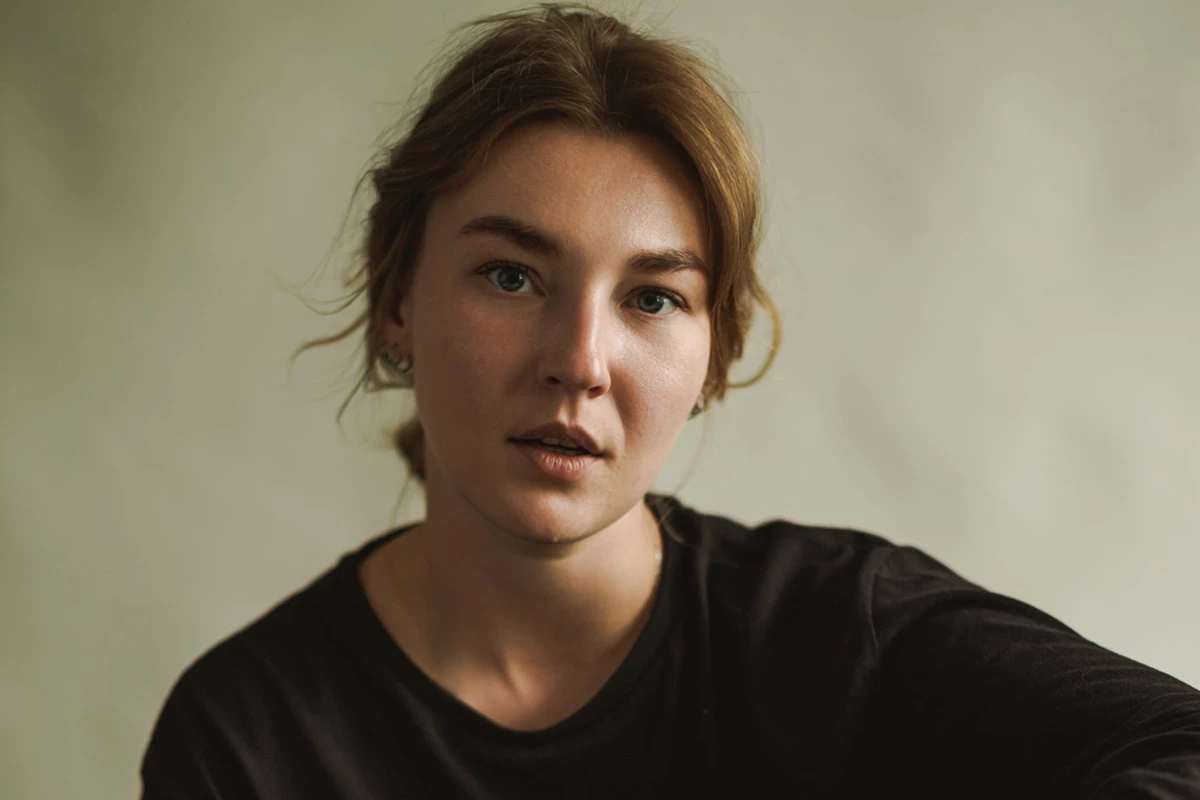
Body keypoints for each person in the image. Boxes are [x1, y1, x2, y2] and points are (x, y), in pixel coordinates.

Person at [139, 4, 1200, 798]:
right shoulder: (249, 738)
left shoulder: (841, 638)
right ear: (398, 297)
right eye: (512, 275)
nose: (580, 358)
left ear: (713, 352)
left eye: (652, 296)